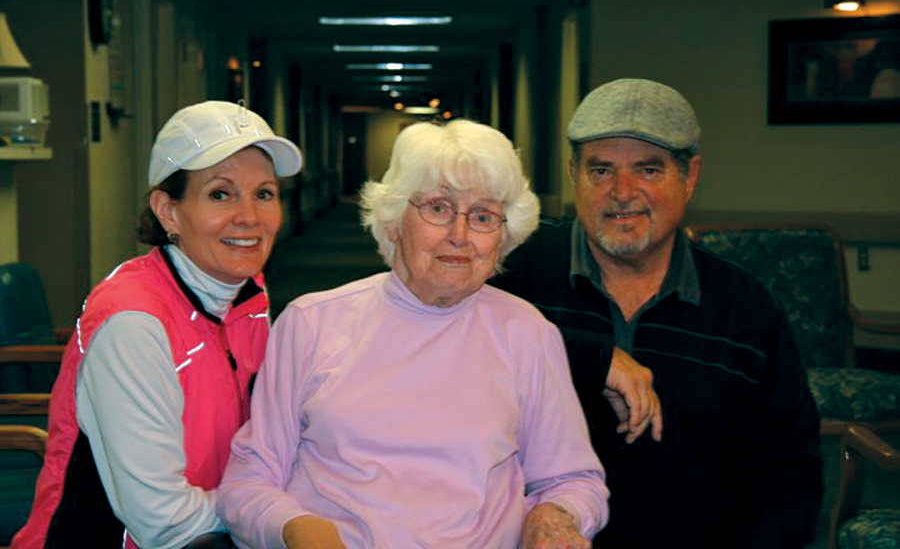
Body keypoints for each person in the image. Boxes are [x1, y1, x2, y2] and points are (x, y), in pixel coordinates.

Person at [215, 119, 609, 548]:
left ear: (504, 234)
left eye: (483, 216)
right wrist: (294, 529)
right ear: (393, 222)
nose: (459, 236)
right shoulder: (311, 323)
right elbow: (248, 480)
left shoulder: (527, 333)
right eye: (438, 208)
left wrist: (555, 515)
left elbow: (574, 480)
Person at [493, 78, 824, 548]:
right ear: (572, 174)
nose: (622, 192)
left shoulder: (745, 310)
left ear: (689, 177)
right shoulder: (514, 272)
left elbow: (788, 475)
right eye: (600, 171)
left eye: (648, 170)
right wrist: (592, 358)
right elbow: (447, 353)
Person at [12, 101, 303, 549]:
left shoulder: (248, 293)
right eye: (220, 194)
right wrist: (273, 515)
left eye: (264, 193)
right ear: (168, 211)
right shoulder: (134, 324)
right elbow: (164, 523)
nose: (250, 217)